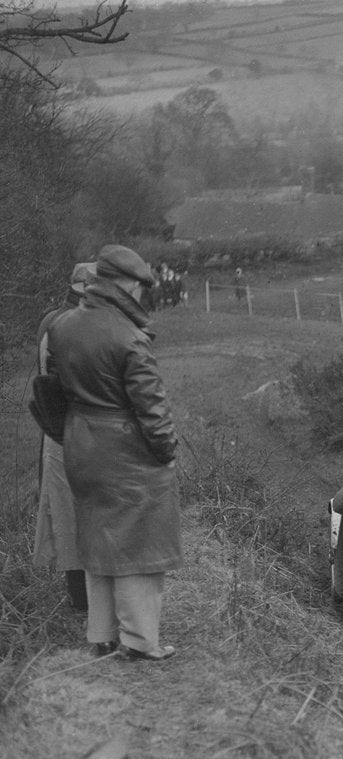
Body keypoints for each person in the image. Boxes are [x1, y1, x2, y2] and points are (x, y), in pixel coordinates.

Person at [48, 244, 181, 661]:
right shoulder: (129, 337)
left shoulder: (63, 325)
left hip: (80, 442)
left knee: (98, 536)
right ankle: (141, 641)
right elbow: (152, 409)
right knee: (140, 543)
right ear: (126, 285)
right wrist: (166, 453)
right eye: (140, 287)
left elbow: (51, 389)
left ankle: (101, 634)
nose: (142, 295)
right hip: (125, 449)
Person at [33, 262, 96, 611]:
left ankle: (80, 602)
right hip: (74, 431)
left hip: (55, 431)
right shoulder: (71, 325)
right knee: (79, 518)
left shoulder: (50, 319)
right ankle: (86, 605)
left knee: (67, 519)